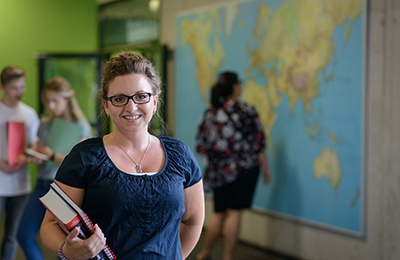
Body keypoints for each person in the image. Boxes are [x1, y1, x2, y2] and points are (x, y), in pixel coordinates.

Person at [40, 51, 205, 259]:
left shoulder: (180, 155)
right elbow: (50, 224)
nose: (131, 106)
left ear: (154, 101)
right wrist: (67, 250)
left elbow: (193, 221)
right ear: (106, 106)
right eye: (119, 99)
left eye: (141, 96)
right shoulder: (84, 157)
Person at [195, 71, 271, 260]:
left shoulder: (210, 113)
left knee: (219, 213)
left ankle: (205, 253)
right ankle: (228, 257)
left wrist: (216, 164)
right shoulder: (246, 111)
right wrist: (266, 167)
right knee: (235, 213)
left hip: (219, 172)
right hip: (245, 170)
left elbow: (200, 144)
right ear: (235, 87)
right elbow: (258, 142)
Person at [17, 76, 91, 260]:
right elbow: (40, 150)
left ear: (66, 100)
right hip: (42, 185)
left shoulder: (80, 127)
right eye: (47, 101)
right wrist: (35, 155)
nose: (50, 106)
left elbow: (80, 162)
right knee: (24, 234)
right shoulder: (45, 123)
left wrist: (51, 155)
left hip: (64, 190)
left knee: (66, 241)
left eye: (54, 101)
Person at [0, 65, 40, 260]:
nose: (19, 92)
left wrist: (28, 156)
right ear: (3, 87)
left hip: (20, 185)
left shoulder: (29, 114)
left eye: (22, 87)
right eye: (15, 87)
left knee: (12, 235)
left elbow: (34, 145)